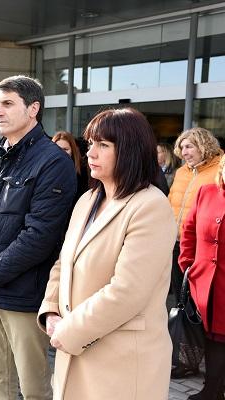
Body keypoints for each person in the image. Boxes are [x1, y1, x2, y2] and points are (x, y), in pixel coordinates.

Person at [37, 108, 177, 400]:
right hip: (74, 348)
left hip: (120, 361)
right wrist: (51, 310)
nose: (91, 153)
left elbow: (127, 291)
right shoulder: (87, 200)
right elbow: (65, 263)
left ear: (129, 151)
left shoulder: (150, 205)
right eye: (90, 144)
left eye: (103, 145)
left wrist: (69, 331)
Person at [0, 75, 76, 399]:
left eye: (8, 103)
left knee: (32, 386)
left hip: (23, 296)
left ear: (33, 108)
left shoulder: (54, 162)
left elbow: (38, 237)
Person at [179, 154, 225, 400]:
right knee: (211, 336)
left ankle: (212, 390)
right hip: (206, 281)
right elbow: (188, 229)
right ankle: (212, 389)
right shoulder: (206, 192)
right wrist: (187, 264)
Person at [168, 128, 222, 327]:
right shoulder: (182, 172)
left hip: (203, 246)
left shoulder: (219, 171)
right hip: (176, 242)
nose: (184, 152)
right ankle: (183, 335)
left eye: (189, 146)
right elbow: (170, 201)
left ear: (204, 146)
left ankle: (201, 335)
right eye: (182, 147)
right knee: (180, 292)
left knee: (200, 295)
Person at [53, 131, 88, 203]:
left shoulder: (82, 171)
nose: (61, 153)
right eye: (57, 149)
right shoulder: (46, 170)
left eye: (65, 149)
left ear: (72, 150)